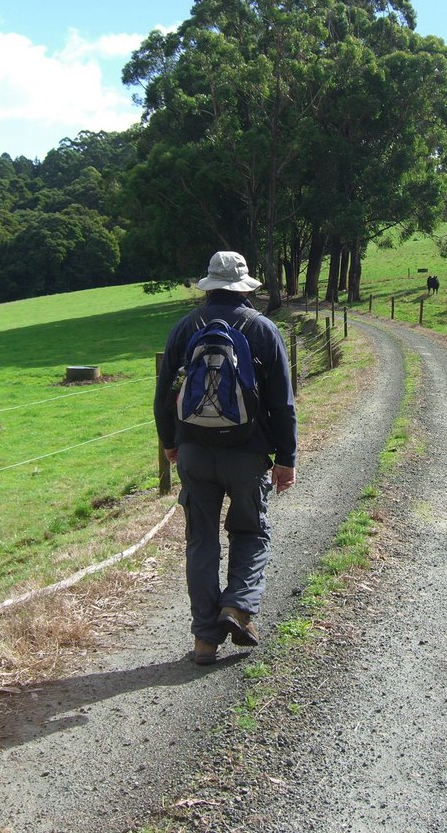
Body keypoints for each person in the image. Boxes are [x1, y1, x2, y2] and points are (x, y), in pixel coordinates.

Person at [154, 251, 297, 665]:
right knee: (251, 533)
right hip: (248, 455)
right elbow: (283, 404)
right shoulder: (264, 329)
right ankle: (236, 606)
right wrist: (286, 457)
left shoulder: (184, 329)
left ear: (209, 286)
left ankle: (204, 639)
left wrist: (171, 443)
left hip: (194, 453)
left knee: (200, 541)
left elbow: (164, 395)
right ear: (245, 288)